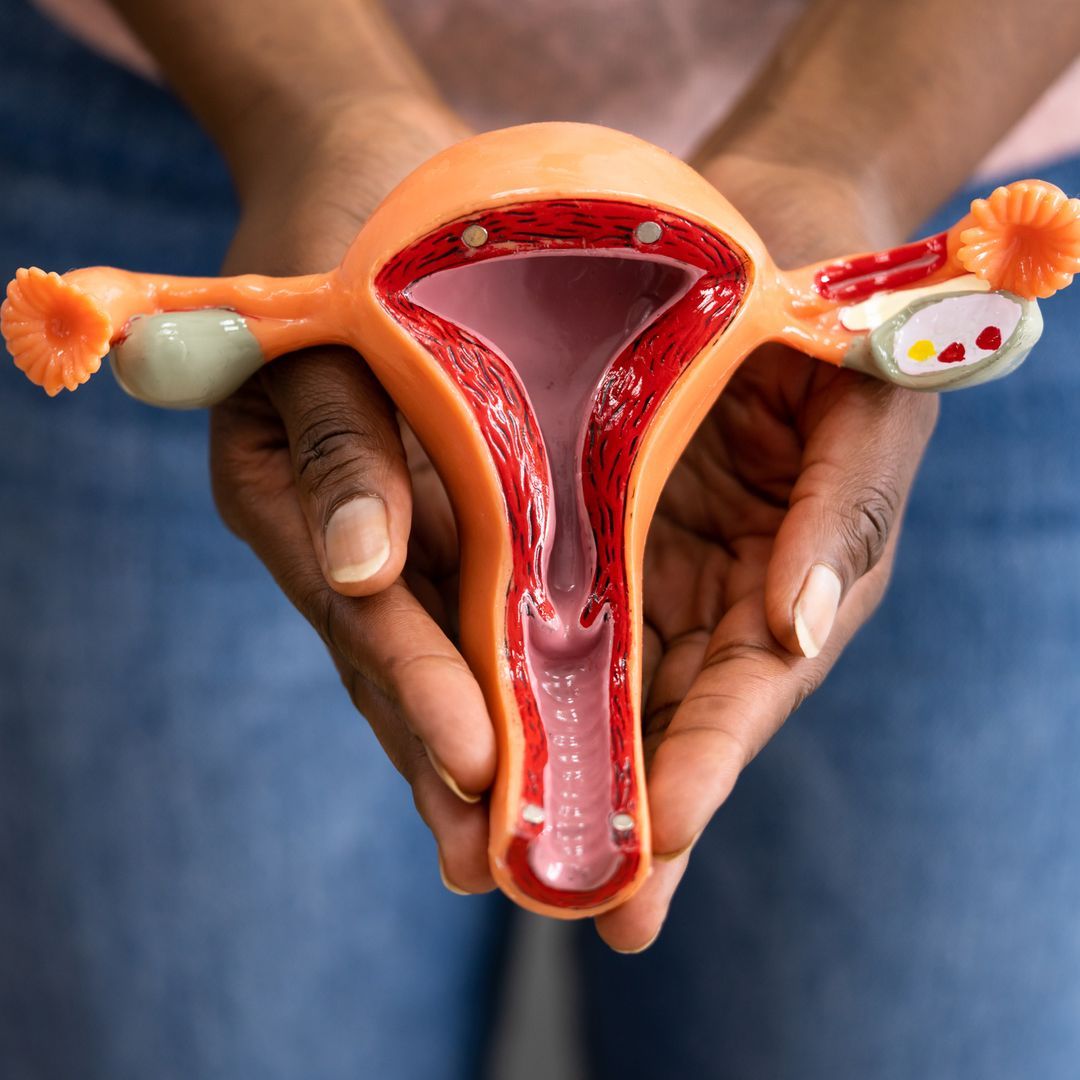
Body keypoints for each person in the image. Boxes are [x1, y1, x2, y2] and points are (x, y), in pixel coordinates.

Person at [2, 1, 1079, 1076]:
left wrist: (857, 155)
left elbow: (135, 330)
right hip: (186, 92)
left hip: (960, 91)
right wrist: (312, 106)